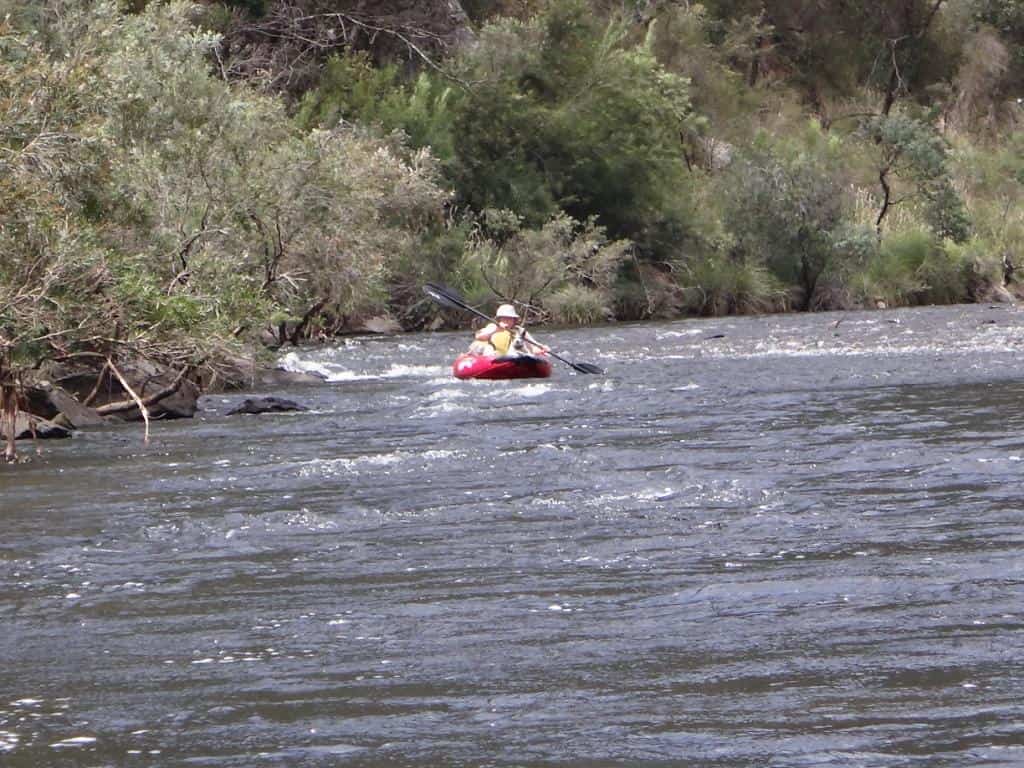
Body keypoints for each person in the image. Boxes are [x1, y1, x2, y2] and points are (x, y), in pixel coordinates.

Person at [468, 303, 549, 357]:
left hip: (511, 357)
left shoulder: (520, 331)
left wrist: (540, 349)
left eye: (509, 318)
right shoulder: (493, 327)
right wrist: (496, 330)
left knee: (524, 352)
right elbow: (479, 337)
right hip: (493, 356)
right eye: (504, 318)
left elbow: (533, 347)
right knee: (488, 349)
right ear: (499, 319)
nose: (506, 320)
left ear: (514, 320)